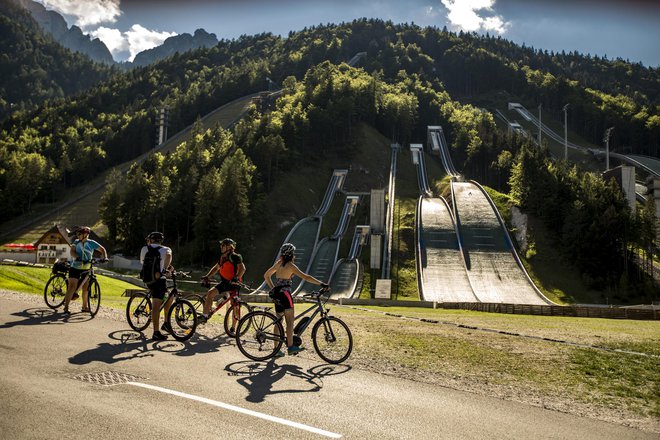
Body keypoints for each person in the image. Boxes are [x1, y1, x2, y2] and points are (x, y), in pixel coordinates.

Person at [264, 242, 328, 357]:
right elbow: (306, 277)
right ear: (291, 254)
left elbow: (266, 275)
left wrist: (273, 288)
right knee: (290, 322)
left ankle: (276, 349)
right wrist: (321, 284)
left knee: (279, 321)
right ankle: (291, 347)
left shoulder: (278, 264)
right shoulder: (290, 266)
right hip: (285, 294)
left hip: (277, 294)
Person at [199, 238, 246, 326]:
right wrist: (207, 276)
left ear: (229, 247)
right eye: (221, 245)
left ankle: (233, 328)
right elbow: (216, 268)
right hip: (225, 283)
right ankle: (204, 316)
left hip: (233, 283)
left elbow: (243, 269)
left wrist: (236, 278)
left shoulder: (235, 256)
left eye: (223, 245)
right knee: (210, 293)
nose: (221, 247)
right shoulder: (222, 257)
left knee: (235, 305)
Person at [63, 226, 108, 315]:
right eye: (77, 234)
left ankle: (84, 307)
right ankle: (66, 307)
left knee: (86, 288)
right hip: (75, 267)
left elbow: (102, 249)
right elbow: (72, 252)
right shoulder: (76, 242)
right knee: (72, 287)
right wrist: (77, 257)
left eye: (79, 234)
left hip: (87, 268)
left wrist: (105, 257)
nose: (78, 236)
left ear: (85, 234)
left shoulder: (91, 243)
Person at [140, 231, 173, 341]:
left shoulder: (145, 249)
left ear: (151, 239)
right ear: (160, 240)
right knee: (156, 305)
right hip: (159, 280)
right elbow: (168, 256)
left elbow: (142, 262)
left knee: (169, 297)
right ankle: (156, 332)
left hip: (148, 279)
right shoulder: (166, 249)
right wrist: (166, 269)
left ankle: (166, 323)